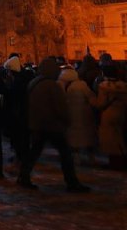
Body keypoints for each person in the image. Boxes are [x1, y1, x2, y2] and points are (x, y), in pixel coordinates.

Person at [17, 58, 90, 192]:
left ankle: (23, 176)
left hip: (37, 123)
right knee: (65, 154)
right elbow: (60, 107)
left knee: (34, 152)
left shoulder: (34, 82)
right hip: (51, 124)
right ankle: (72, 182)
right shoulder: (52, 85)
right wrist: (67, 120)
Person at [58, 66, 97, 166]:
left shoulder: (60, 85)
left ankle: (76, 157)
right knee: (87, 136)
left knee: (73, 138)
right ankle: (91, 157)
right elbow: (91, 97)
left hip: (70, 115)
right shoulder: (81, 85)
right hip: (84, 115)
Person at [91, 65, 127, 170]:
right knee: (120, 137)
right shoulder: (124, 86)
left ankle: (115, 163)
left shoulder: (104, 86)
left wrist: (91, 99)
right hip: (121, 113)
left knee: (110, 140)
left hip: (108, 114)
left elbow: (100, 104)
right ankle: (122, 161)